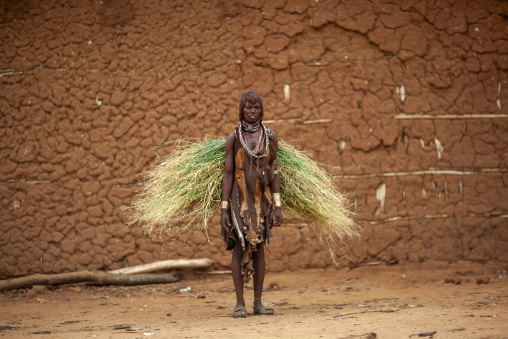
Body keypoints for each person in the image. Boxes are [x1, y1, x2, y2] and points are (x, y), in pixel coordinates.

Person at [220, 91, 283, 318]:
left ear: (262, 110)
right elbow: (227, 175)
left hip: (261, 200)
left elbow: (275, 172)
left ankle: (258, 303)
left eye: (257, 107)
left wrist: (277, 205)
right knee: (239, 248)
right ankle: (239, 303)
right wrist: (224, 209)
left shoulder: (271, 137)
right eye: (248, 107)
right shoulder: (233, 139)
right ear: (241, 110)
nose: (253, 111)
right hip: (239, 200)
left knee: (259, 252)